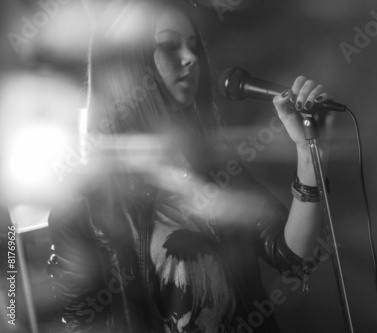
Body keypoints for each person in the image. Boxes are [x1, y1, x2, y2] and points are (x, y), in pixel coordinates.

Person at [47, 1, 332, 332]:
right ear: (126, 62)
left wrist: (309, 152)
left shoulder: (218, 166)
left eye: (194, 45)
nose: (191, 57)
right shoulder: (83, 201)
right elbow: (80, 322)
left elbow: (293, 258)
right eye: (169, 46)